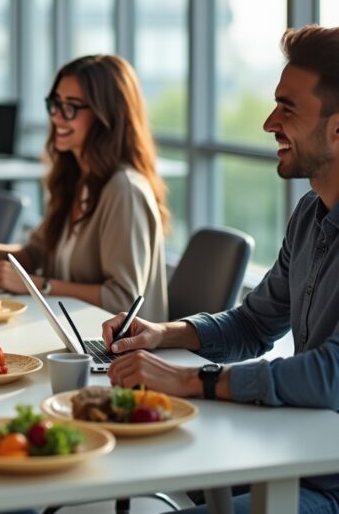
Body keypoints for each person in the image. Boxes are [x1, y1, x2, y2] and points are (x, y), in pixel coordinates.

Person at [103, 25, 339, 513]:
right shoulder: (309, 215)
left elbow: (330, 375)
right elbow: (255, 324)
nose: (269, 123)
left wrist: (193, 381)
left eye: (288, 108)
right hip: (298, 458)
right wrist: (161, 335)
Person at [0, 54, 169, 321]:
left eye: (71, 107)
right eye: (55, 104)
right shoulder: (75, 178)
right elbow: (36, 253)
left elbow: (123, 298)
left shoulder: (124, 190)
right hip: (71, 330)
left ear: (107, 116)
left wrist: (40, 285)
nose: (57, 117)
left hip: (118, 352)